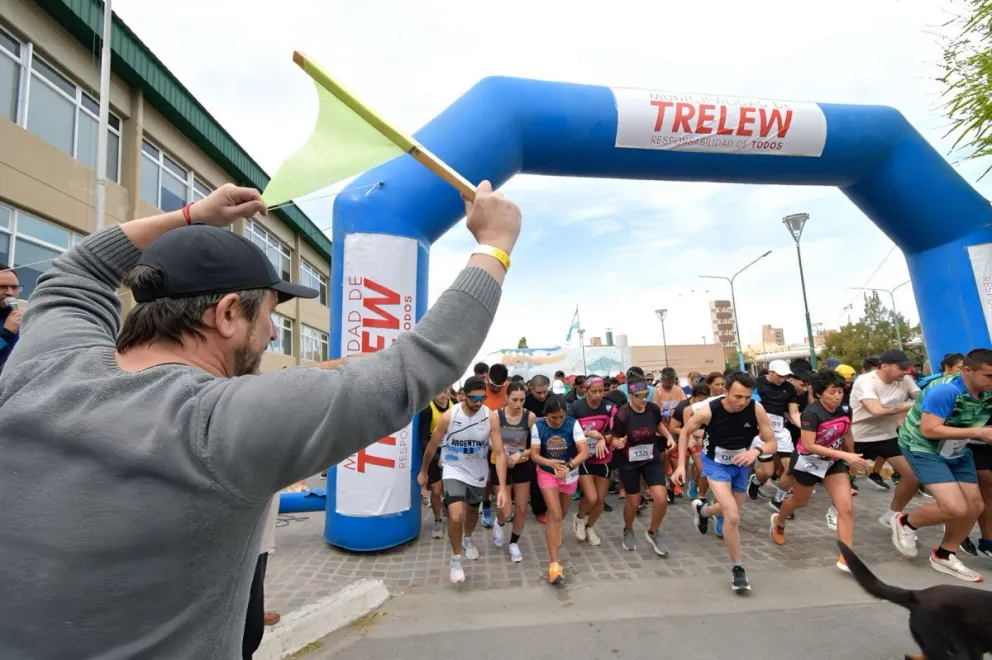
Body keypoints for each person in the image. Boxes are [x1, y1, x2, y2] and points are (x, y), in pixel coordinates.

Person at [0, 180, 520, 658]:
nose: (274, 334)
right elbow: (420, 364)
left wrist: (190, 216)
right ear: (226, 313)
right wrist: (494, 243)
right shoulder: (215, 426)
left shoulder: (43, 366)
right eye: (269, 314)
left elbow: (78, 268)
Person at [891, 349, 992, 581]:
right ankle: (905, 521)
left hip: (957, 448)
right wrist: (981, 432)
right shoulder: (946, 391)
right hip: (923, 446)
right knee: (955, 508)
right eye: (988, 376)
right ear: (967, 371)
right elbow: (929, 429)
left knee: (975, 506)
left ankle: (945, 555)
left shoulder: (987, 391)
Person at [673, 372, 776, 593]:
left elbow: (771, 442)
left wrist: (756, 452)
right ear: (725, 391)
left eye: (747, 397)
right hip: (715, 464)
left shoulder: (756, 409)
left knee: (732, 510)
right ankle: (738, 569)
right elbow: (684, 433)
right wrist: (681, 465)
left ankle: (703, 512)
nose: (742, 402)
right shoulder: (709, 410)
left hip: (741, 463)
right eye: (738, 396)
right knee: (732, 515)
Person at [769, 370, 871, 572]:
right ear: (819, 394)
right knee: (800, 501)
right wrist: (845, 456)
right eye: (832, 392)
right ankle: (778, 521)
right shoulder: (811, 413)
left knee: (846, 508)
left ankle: (847, 555)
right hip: (808, 462)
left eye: (840, 391)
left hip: (834, 461)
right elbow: (809, 445)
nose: (837, 396)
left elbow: (848, 434)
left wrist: (852, 457)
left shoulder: (845, 409)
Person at [418, 376, 508, 584]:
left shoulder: (490, 417)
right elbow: (432, 447)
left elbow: (500, 452)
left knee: (471, 511)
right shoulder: (450, 416)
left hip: (477, 470)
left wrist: (502, 488)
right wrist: (424, 472)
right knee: (456, 515)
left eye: (482, 398)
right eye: (474, 398)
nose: (478, 402)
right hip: (453, 467)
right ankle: (456, 559)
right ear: (462, 396)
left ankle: (468, 538)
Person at [848, 349, 920, 531]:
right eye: (901, 367)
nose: (905, 371)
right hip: (857, 437)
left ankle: (891, 515)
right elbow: (876, 410)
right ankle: (835, 510)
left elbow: (922, 398)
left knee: (912, 476)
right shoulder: (866, 382)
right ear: (884, 366)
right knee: (844, 479)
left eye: (907, 368)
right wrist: (909, 405)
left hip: (887, 437)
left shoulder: (905, 379)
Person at [612, 374, 675, 555]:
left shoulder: (653, 409)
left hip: (651, 459)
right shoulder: (622, 415)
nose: (643, 399)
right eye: (639, 396)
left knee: (661, 499)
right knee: (633, 501)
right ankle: (628, 529)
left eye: (646, 394)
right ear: (631, 396)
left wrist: (669, 436)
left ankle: (653, 532)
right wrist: (618, 443)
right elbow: (614, 439)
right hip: (629, 461)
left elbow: (659, 425)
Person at [530, 395, 589, 585]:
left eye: (561, 417)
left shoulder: (573, 424)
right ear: (546, 414)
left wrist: (569, 466)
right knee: (554, 514)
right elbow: (534, 455)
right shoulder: (538, 426)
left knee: (562, 513)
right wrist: (549, 463)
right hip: (547, 473)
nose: (557, 421)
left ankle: (555, 531)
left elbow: (584, 451)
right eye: (553, 417)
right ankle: (554, 565)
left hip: (569, 473)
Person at [569, 375, 618, 546]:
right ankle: (580, 518)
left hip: (603, 457)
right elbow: (569, 430)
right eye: (594, 391)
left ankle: (590, 527)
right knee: (591, 497)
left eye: (601, 391)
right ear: (586, 390)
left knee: (600, 500)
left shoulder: (609, 407)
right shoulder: (576, 407)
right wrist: (587, 433)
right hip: (583, 457)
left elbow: (616, 431)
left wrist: (605, 438)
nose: (598, 395)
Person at [491, 382, 536, 563]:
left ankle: (514, 543)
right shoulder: (496, 416)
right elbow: (490, 442)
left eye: (522, 400)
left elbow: (536, 447)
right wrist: (504, 453)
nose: (518, 404)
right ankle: (500, 522)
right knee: (506, 509)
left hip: (522, 463)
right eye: (514, 400)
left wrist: (520, 453)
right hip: (499, 462)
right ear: (506, 399)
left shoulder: (530, 417)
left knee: (522, 508)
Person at [748, 360, 800, 504]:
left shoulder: (789, 387)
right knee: (767, 472)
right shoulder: (757, 384)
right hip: (762, 432)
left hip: (781, 431)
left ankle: (779, 499)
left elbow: (794, 412)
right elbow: (752, 406)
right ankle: (756, 481)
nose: (783, 379)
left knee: (791, 468)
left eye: (785, 376)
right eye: (780, 376)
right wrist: (761, 422)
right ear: (770, 372)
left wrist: (805, 427)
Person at [417, 390, 455, 539]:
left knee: (450, 487)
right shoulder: (427, 409)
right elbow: (424, 439)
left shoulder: (455, 405)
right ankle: (438, 520)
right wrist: (438, 457)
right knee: (436, 490)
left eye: (446, 391)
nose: (443, 395)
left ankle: (448, 507)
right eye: (439, 392)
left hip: (452, 452)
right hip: (433, 454)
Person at [671, 382, 712, 502]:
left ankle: (696, 486)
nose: (702, 404)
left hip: (701, 440)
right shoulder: (682, 408)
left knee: (703, 469)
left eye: (705, 400)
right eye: (699, 400)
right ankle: (672, 487)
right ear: (692, 397)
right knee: (681, 466)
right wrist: (692, 433)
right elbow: (673, 428)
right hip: (681, 439)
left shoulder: (709, 407)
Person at [480, 362, 510, 528]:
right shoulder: (480, 389)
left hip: (504, 439)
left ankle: (504, 505)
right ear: (487, 379)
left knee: (503, 474)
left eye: (500, 386)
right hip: (482, 439)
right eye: (493, 385)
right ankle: (485, 505)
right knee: (487, 478)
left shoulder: (510, 389)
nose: (497, 390)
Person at [525, 375, 552, 522]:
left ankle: (552, 505)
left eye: (545, 392)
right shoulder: (526, 401)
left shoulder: (553, 399)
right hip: (531, 446)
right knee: (535, 479)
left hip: (552, 445)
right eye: (538, 393)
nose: (542, 395)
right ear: (531, 388)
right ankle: (539, 510)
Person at [0, 268, 22, 373]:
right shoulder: (9, 325)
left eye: (14, 287)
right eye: (2, 287)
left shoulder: (13, 316)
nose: (10, 293)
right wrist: (7, 333)